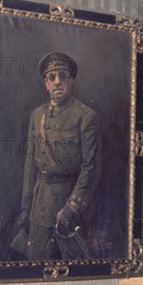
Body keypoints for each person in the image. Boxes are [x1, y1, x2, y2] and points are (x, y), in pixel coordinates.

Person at [14, 52, 101, 260]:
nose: (57, 82)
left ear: (70, 81)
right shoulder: (37, 115)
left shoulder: (86, 116)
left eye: (63, 76)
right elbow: (30, 162)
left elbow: (90, 167)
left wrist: (71, 207)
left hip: (68, 207)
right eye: (51, 77)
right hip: (39, 205)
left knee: (75, 266)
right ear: (46, 83)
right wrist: (26, 207)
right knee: (36, 263)